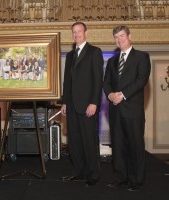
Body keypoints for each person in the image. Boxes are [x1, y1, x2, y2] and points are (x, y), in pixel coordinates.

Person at [103, 25, 151, 192]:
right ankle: (120, 178)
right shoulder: (112, 61)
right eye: (116, 37)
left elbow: (141, 80)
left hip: (132, 111)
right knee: (118, 146)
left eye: (122, 36)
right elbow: (106, 82)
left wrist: (121, 94)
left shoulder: (142, 57)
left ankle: (136, 181)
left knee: (135, 147)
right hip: (115, 111)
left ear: (129, 36)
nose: (119, 40)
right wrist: (110, 95)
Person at [61, 22, 104, 187]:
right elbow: (67, 82)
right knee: (75, 141)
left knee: (89, 141)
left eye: (79, 31)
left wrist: (94, 102)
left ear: (86, 32)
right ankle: (79, 172)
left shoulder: (94, 52)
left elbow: (97, 80)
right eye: (74, 32)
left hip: (88, 106)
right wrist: (64, 102)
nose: (76, 34)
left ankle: (93, 175)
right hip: (71, 106)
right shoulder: (71, 55)